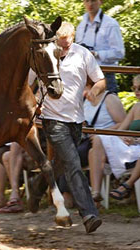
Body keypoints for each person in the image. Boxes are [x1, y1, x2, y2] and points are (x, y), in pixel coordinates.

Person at [27, 22, 106, 234]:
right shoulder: (45, 54)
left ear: (72, 39)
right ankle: (89, 214)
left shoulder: (83, 54)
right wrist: (35, 101)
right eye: (59, 46)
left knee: (61, 164)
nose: (62, 50)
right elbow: (27, 84)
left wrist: (94, 92)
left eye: (66, 45)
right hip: (53, 119)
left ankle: (38, 186)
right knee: (72, 164)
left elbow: (100, 80)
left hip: (76, 120)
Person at [58, 81, 126, 207]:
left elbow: (123, 123)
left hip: (106, 141)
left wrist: (102, 133)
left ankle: (70, 195)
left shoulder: (109, 99)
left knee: (71, 155)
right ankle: (67, 193)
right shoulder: (85, 100)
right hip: (87, 140)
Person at [88, 74, 140, 201]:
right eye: (134, 88)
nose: (137, 91)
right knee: (98, 140)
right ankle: (95, 193)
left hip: (137, 146)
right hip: (130, 146)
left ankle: (126, 185)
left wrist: (136, 139)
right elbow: (122, 128)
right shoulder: (136, 107)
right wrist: (124, 137)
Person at [75, 0, 125, 93]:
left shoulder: (111, 24)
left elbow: (119, 53)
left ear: (101, 1)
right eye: (87, 1)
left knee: (108, 105)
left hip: (105, 74)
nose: (90, 4)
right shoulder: (81, 26)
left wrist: (96, 54)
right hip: (85, 77)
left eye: (93, 0)